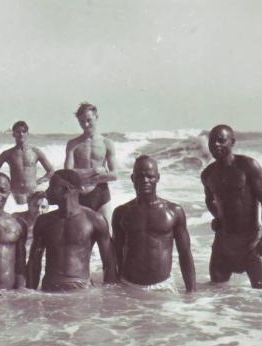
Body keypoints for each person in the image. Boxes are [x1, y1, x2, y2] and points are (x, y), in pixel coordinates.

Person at [200, 124, 262, 289]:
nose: (216, 145)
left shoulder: (248, 166)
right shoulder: (208, 174)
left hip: (251, 243)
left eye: (221, 141)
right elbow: (209, 199)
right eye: (212, 142)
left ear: (232, 142)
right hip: (223, 245)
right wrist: (218, 217)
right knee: (216, 294)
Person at [112, 155, 196, 293]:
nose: (145, 180)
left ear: (157, 178)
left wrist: (191, 292)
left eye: (150, 176)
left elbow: (185, 254)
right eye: (140, 176)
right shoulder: (121, 213)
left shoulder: (174, 211)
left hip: (163, 287)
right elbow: (115, 254)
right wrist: (116, 290)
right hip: (128, 286)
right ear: (133, 179)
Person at [27, 170, 115, 291]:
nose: (47, 191)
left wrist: (108, 297)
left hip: (81, 291)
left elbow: (109, 264)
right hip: (49, 291)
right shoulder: (44, 221)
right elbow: (33, 264)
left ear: (66, 189)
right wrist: (30, 297)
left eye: (52, 186)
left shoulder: (94, 220)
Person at [64, 103, 118, 232]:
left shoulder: (107, 143)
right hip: (79, 195)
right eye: (82, 121)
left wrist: (83, 176)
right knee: (80, 238)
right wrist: (94, 171)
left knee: (107, 234)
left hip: (101, 194)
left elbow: (115, 175)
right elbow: (67, 175)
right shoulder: (73, 144)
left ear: (96, 117)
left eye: (89, 120)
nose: (86, 124)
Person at [0, 120, 55, 204]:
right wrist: (3, 184)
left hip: (32, 193)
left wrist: (39, 181)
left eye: (24, 131)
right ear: (13, 134)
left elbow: (51, 171)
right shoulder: (7, 153)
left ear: (27, 133)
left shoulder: (35, 152)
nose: (21, 134)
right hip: (14, 195)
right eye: (18, 132)